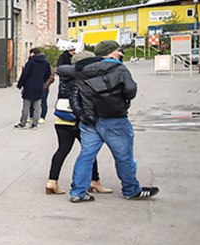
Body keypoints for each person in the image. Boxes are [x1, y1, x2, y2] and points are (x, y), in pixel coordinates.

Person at [68, 40, 159, 203]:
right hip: (115, 118)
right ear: (110, 52)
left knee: (86, 155)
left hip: (90, 119)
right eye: (118, 50)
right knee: (124, 156)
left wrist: (83, 114)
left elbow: (77, 94)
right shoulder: (118, 68)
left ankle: (78, 192)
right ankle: (131, 190)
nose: (121, 53)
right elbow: (130, 91)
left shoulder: (82, 69)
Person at [46, 51, 110, 195]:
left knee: (62, 150)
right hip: (81, 119)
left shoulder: (65, 75)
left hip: (62, 118)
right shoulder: (86, 76)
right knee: (89, 151)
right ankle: (94, 181)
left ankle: (52, 181)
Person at [15, 48, 51, 129]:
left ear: (33, 54)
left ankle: (23, 123)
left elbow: (25, 74)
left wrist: (20, 84)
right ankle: (34, 124)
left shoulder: (30, 63)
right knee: (37, 106)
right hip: (39, 86)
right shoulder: (45, 63)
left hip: (29, 86)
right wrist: (42, 80)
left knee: (26, 106)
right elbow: (48, 73)